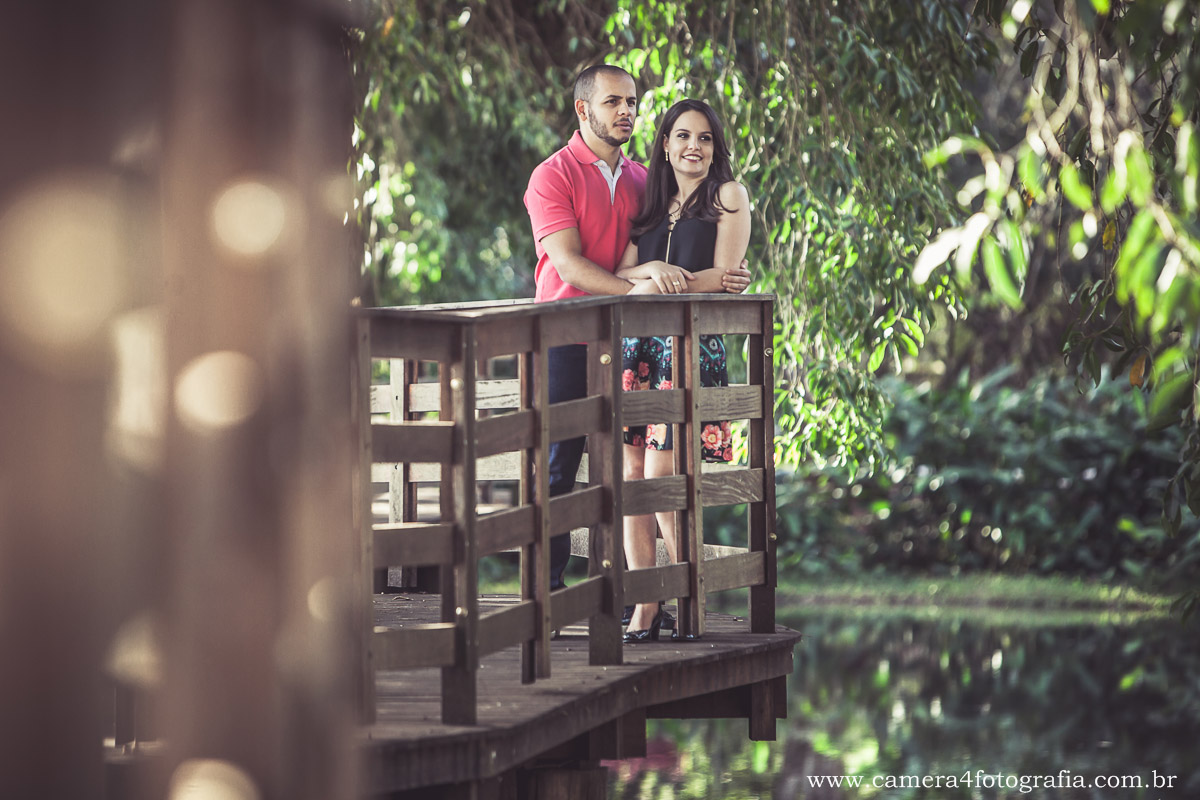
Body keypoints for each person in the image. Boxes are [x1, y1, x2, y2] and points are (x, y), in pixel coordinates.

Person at [524, 69, 751, 602]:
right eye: (613, 102)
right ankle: (550, 598)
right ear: (584, 110)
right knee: (561, 467)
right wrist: (642, 286)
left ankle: (656, 598)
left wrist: (722, 277)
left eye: (632, 102)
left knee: (641, 474)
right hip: (569, 336)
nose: (626, 111)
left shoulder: (643, 180)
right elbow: (569, 265)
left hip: (634, 345)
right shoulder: (553, 174)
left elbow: (703, 259)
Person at [614, 99, 752, 643]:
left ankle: (688, 595)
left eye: (705, 139)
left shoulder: (728, 196)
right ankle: (646, 607)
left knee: (663, 481)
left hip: (689, 347)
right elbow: (623, 272)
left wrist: (651, 286)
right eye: (682, 136)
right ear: (665, 145)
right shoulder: (652, 207)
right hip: (639, 351)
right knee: (630, 481)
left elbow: (725, 275)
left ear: (715, 148)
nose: (694, 147)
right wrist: (651, 270)